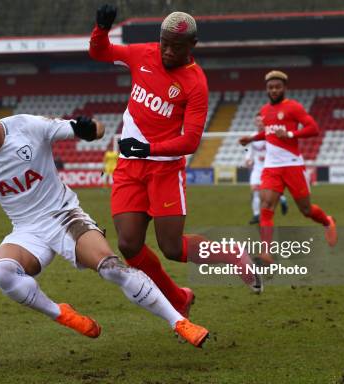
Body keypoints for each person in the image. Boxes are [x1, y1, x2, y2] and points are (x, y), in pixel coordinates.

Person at [0, 86, 209, 348]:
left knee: (112, 268)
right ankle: (61, 313)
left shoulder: (28, 127)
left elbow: (93, 129)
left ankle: (179, 322)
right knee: (2, 272)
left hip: (64, 217)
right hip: (26, 231)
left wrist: (91, 130)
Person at [89, 4, 262, 313]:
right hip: (130, 167)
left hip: (165, 170)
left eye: (176, 47)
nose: (168, 51)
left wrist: (150, 149)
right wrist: (101, 29)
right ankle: (178, 298)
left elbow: (191, 140)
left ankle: (233, 253)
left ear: (192, 47)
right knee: (128, 244)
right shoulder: (143, 54)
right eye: (164, 43)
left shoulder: (196, 83)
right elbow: (100, 53)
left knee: (171, 248)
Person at [239, 71, 337, 265]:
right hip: (271, 167)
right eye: (270, 87)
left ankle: (327, 221)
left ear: (285, 88)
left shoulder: (293, 107)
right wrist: (251, 138)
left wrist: (291, 134)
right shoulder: (265, 110)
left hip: (292, 165)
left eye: (277, 87)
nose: (274, 90)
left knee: (306, 210)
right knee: (266, 206)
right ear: (266, 89)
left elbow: (313, 129)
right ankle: (266, 253)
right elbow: (269, 133)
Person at [245, 115, 288, 224]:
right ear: (255, 123)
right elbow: (249, 151)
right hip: (257, 169)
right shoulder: (253, 137)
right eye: (257, 121)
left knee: (269, 195)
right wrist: (248, 159)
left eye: (261, 121)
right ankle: (256, 215)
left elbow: (278, 150)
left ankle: (282, 200)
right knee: (255, 191)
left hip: (269, 169)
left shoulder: (270, 136)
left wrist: (267, 156)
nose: (259, 123)